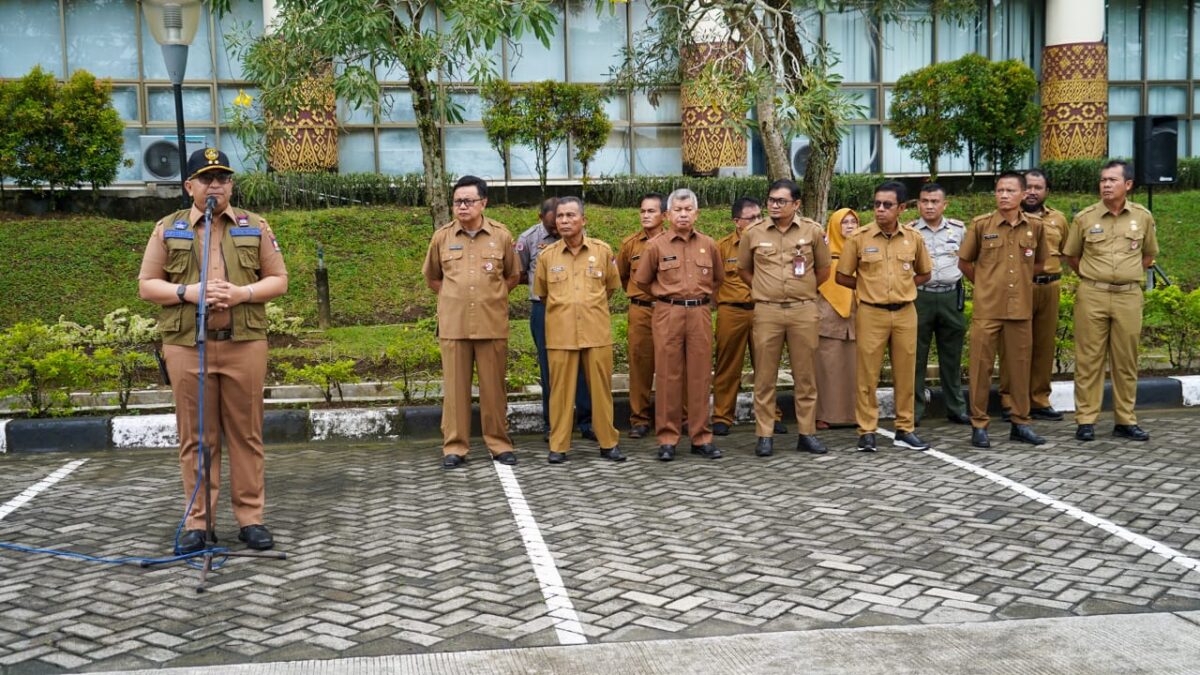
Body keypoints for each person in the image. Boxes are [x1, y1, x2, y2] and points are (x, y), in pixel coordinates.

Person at [137, 147, 288, 554]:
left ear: (231, 185)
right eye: (206, 178)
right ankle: (198, 523)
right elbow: (148, 285)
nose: (215, 185)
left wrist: (242, 293)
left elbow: (279, 280)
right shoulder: (168, 229)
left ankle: (251, 519)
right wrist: (190, 292)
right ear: (190, 187)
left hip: (244, 343)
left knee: (246, 434)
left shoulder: (253, 225)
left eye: (222, 178)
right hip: (188, 346)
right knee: (197, 438)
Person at [422, 175, 520, 468]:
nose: (462, 206)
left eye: (468, 201)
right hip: (454, 326)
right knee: (455, 391)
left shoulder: (501, 236)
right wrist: (456, 298)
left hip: (491, 325)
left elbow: (513, 276)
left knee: (494, 389)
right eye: (457, 202)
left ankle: (499, 444)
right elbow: (433, 277)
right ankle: (455, 446)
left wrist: (492, 297)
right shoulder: (442, 236)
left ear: (483, 202)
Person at [1062, 159, 1158, 442]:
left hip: (1129, 295)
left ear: (1127, 185)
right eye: (1103, 180)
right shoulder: (1085, 217)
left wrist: (1125, 276)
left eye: (1112, 180)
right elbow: (1071, 256)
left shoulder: (1142, 217)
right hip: (1093, 294)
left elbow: (1149, 255)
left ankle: (1125, 420)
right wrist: (1096, 277)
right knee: (1088, 359)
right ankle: (1086, 420)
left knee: (1125, 360)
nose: (1105, 184)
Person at [737, 180, 831, 457]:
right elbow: (744, 270)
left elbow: (824, 270)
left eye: (781, 201)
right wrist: (765, 290)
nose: (774, 205)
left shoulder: (812, 231)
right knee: (765, 376)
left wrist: (805, 292)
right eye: (771, 200)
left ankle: (807, 433)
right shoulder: (753, 233)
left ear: (796, 204)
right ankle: (764, 434)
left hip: (803, 310)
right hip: (768, 311)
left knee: (806, 375)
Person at [836, 181, 932, 452]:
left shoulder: (913, 238)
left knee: (906, 373)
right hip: (871, 313)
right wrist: (869, 288)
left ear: (901, 208)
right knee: (867, 375)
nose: (880, 209)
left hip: (905, 313)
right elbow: (842, 276)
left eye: (887, 205)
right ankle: (867, 431)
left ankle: (905, 428)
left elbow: (925, 273)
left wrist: (904, 287)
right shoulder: (859, 238)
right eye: (876, 204)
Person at [957, 171, 1048, 448]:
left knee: (1020, 369)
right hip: (988, 309)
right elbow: (965, 263)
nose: (1004, 196)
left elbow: (1040, 264)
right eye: (999, 191)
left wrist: (1018, 285)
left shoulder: (1035, 226)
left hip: (1020, 309)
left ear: (1023, 195)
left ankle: (1021, 423)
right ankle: (979, 424)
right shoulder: (981, 225)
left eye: (1010, 191)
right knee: (980, 368)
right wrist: (986, 285)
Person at [634, 188, 724, 461]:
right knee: (667, 376)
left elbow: (717, 279)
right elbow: (642, 281)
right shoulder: (656, 245)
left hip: (699, 313)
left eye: (688, 210)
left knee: (700, 375)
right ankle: (668, 438)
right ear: (668, 214)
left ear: (696, 213)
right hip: (668, 313)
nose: (683, 215)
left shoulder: (708, 245)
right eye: (678, 210)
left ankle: (700, 437)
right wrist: (666, 297)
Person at [532, 197, 625, 463]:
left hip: (596, 333)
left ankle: (608, 443)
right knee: (560, 393)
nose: (564, 221)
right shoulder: (547, 256)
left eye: (571, 216)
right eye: (560, 216)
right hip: (560, 335)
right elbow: (542, 294)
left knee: (601, 391)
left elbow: (609, 288)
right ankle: (559, 445)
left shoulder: (602, 251)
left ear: (583, 220)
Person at [517, 197, 595, 442]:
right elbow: (519, 274)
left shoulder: (584, 239)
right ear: (542, 219)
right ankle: (553, 425)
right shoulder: (528, 239)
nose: (559, 228)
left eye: (565, 219)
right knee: (550, 368)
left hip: (579, 311)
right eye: (553, 225)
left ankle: (586, 422)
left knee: (583, 365)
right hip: (545, 310)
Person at [998, 169, 1068, 422]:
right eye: (1027, 187)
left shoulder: (1058, 220)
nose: (1032, 192)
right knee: (1012, 346)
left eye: (1038, 187)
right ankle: (1009, 400)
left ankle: (1039, 399)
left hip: (1049, 287)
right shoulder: (1006, 219)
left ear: (1046, 192)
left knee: (1043, 345)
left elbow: (1067, 252)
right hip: (1018, 289)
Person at [712, 197, 785, 437]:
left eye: (759, 217)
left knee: (766, 365)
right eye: (751, 218)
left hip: (763, 310)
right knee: (727, 366)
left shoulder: (771, 244)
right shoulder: (722, 247)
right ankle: (722, 416)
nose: (757, 221)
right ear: (737, 221)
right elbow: (713, 281)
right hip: (731, 311)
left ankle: (771, 416)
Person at [909, 183, 970, 426]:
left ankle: (956, 408)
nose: (929, 206)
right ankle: (913, 410)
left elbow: (968, 260)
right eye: (925, 201)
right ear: (918, 204)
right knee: (915, 356)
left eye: (935, 201)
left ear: (945, 205)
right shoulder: (910, 231)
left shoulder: (958, 230)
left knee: (952, 356)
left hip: (949, 296)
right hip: (919, 296)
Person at [616, 194, 667, 439]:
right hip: (641, 310)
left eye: (651, 211)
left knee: (673, 365)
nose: (645, 215)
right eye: (642, 211)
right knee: (639, 365)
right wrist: (637, 295)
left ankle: (677, 417)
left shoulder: (674, 241)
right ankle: (639, 419)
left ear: (664, 215)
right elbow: (622, 276)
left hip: (669, 310)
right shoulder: (630, 245)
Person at [815, 208, 859, 430]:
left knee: (855, 368)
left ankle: (854, 414)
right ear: (834, 225)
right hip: (827, 317)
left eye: (854, 222)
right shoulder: (824, 253)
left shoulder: (862, 252)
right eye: (844, 222)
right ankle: (825, 415)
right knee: (827, 368)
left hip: (857, 317)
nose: (850, 226)